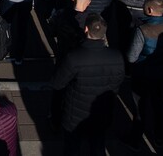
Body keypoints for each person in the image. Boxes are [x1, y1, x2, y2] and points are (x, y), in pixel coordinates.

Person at [50, 13, 124, 155]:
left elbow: (58, 83)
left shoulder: (74, 57)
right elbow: (117, 83)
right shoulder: (116, 56)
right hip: (101, 113)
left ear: (85, 29)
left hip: (75, 115)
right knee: (97, 146)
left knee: (72, 148)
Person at [125, 0, 163, 149]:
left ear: (150, 10)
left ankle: (135, 140)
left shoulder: (143, 30)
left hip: (142, 76)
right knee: (158, 106)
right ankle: (159, 136)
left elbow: (132, 57)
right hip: (162, 76)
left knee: (141, 109)